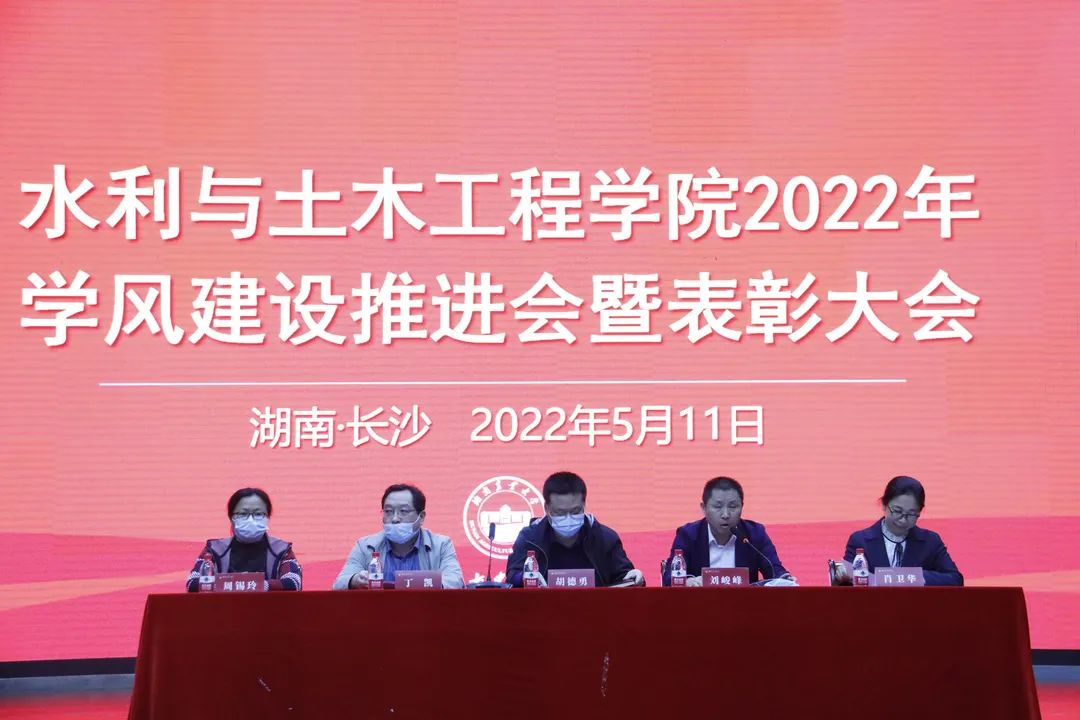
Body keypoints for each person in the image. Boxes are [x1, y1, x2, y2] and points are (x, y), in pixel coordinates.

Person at [505, 471, 645, 588]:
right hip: (542, 610)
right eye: (560, 513)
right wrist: (527, 577)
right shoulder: (530, 538)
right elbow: (512, 577)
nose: (568, 518)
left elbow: (624, 578)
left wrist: (633, 577)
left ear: (584, 505)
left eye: (575, 511)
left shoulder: (605, 538)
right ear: (546, 508)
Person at [333, 483, 464, 589]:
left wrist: (415, 582)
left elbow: (455, 581)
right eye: (388, 511)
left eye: (403, 511)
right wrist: (355, 580)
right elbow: (340, 583)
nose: (395, 518)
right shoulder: (365, 546)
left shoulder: (441, 545)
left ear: (421, 517)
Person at [661, 476, 787, 586]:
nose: (725, 514)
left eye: (733, 507)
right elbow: (669, 577)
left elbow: (775, 572)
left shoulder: (754, 534)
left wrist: (785, 580)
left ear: (742, 507)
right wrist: (688, 581)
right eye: (718, 507)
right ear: (703, 508)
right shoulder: (688, 535)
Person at [840, 475, 963, 586]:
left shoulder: (930, 541)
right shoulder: (860, 541)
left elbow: (955, 579)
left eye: (911, 514)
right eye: (897, 511)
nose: (903, 520)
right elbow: (846, 584)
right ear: (884, 505)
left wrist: (916, 577)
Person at [185, 487, 302, 591]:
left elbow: (293, 582)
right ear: (231, 518)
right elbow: (193, 583)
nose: (251, 519)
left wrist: (260, 585)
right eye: (243, 514)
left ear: (267, 517)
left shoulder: (281, 550)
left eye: (258, 514)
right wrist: (238, 585)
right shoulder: (215, 550)